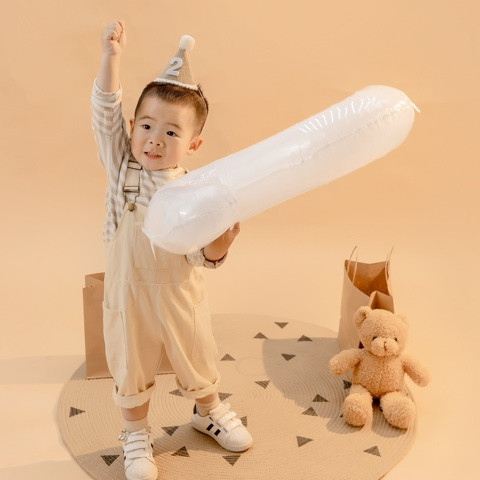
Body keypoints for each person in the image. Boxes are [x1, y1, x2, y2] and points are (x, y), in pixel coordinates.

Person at [91, 19, 252, 480]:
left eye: (171, 132)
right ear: (131, 127)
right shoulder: (122, 165)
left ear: (194, 144)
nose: (155, 139)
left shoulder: (196, 192)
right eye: (146, 125)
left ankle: (208, 411)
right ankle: (135, 433)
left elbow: (204, 257)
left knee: (197, 352)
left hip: (180, 290)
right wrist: (111, 57)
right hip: (128, 292)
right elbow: (104, 109)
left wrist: (221, 242)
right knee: (130, 360)